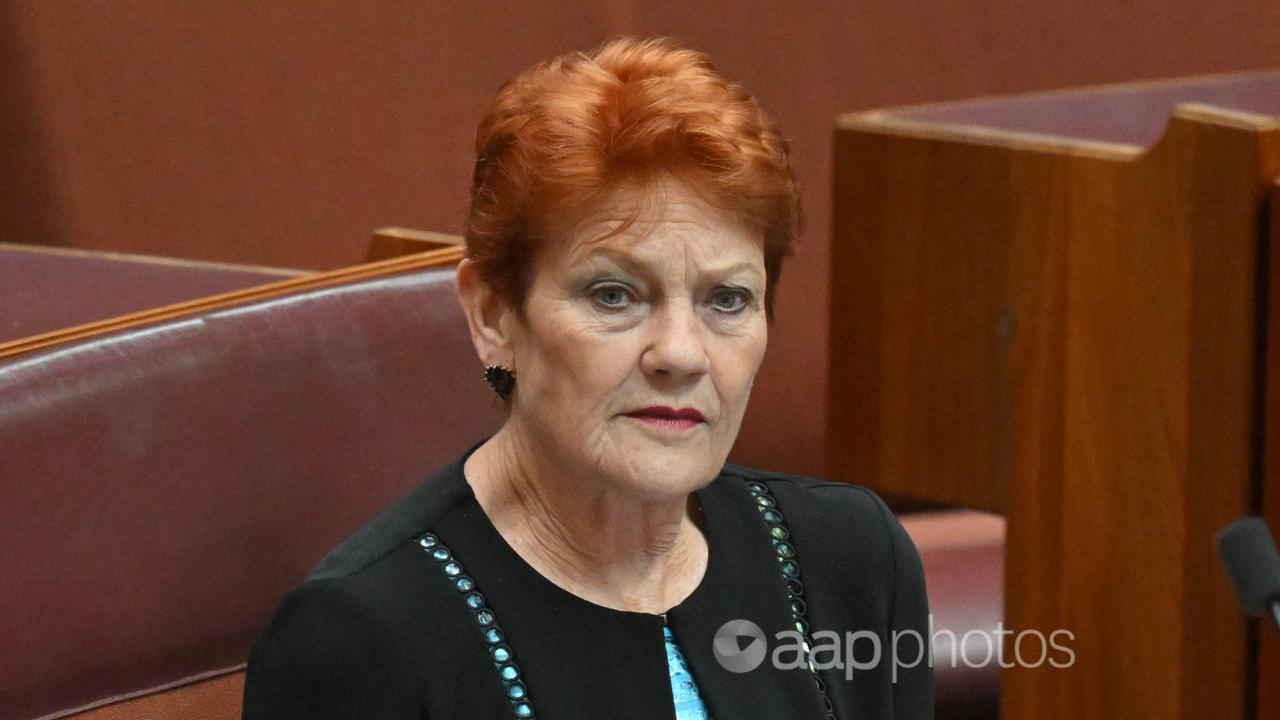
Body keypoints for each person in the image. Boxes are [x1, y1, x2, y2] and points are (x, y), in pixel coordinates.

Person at [241, 36, 933, 720]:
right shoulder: (357, 644)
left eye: (727, 300)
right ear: (494, 314)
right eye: (614, 295)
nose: (681, 354)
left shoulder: (849, 559)